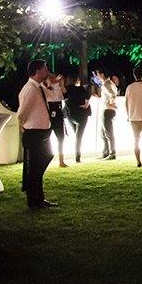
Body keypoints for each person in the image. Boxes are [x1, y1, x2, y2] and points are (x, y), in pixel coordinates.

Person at [17, 59, 56, 209]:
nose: (47, 71)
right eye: (45, 69)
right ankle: (34, 200)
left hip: (42, 133)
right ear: (38, 71)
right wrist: (22, 125)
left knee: (42, 162)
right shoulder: (30, 89)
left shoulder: (39, 88)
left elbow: (56, 97)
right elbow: (23, 112)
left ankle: (39, 198)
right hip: (33, 133)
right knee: (34, 168)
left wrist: (55, 83)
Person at [63, 72, 92, 163]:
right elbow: (87, 97)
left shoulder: (67, 89)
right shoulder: (80, 89)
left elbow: (64, 97)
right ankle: (77, 156)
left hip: (70, 115)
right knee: (79, 136)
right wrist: (86, 104)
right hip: (81, 114)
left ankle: (77, 154)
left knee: (76, 135)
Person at [44, 73, 68, 167]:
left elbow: (64, 96)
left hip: (58, 114)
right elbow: (50, 96)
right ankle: (46, 157)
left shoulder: (57, 87)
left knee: (60, 137)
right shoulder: (44, 88)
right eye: (51, 78)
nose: (54, 79)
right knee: (46, 137)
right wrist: (51, 84)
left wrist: (60, 84)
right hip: (48, 114)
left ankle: (61, 160)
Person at [96, 68, 119, 160]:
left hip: (107, 110)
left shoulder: (106, 84)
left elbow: (112, 94)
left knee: (108, 133)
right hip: (108, 110)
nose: (97, 76)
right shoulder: (109, 83)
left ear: (102, 75)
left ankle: (112, 153)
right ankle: (106, 152)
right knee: (103, 133)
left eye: (98, 74)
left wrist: (111, 103)